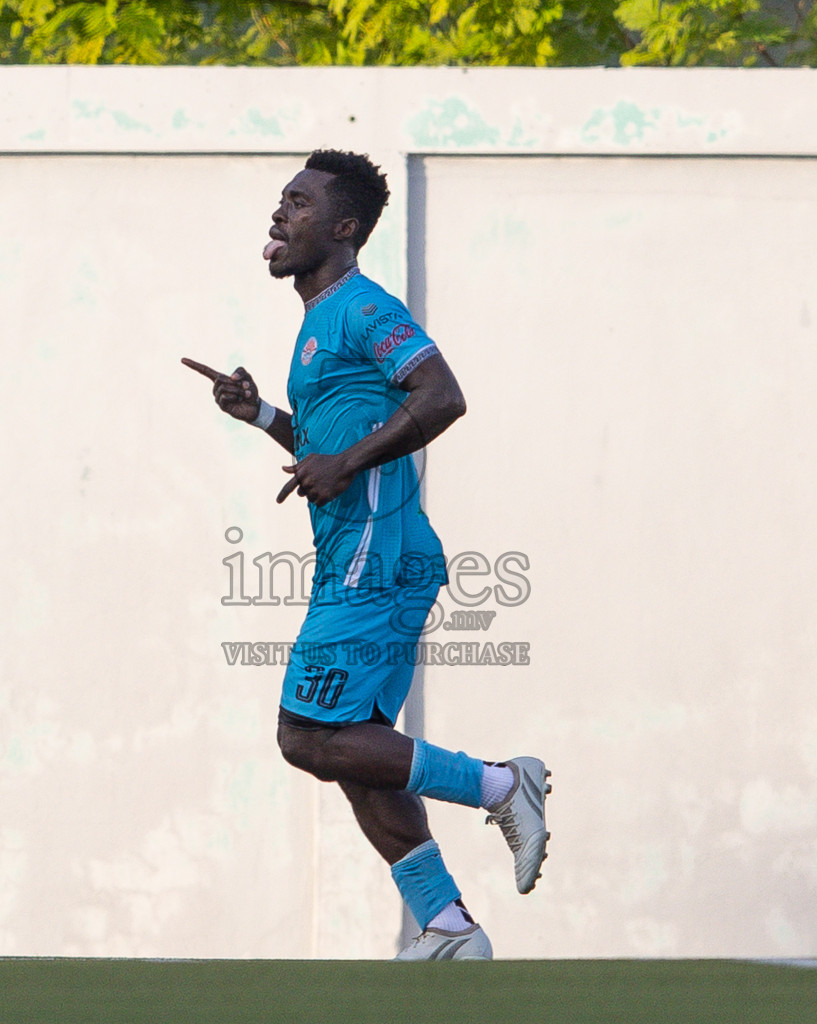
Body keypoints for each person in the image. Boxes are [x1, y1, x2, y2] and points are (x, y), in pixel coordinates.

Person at [183, 150, 549, 961]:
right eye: (281, 200)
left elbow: (442, 396)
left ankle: (501, 783)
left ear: (345, 227)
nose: (280, 214)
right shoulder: (318, 322)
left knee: (307, 736)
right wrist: (263, 416)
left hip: (374, 558)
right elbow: (328, 449)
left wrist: (345, 463)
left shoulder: (363, 308)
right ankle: (447, 926)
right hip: (362, 555)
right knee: (359, 752)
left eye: (300, 203)